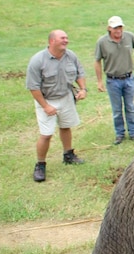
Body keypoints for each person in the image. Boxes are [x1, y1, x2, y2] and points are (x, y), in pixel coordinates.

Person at [26, 29, 89, 182]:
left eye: (67, 38)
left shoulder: (70, 56)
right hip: (46, 100)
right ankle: (40, 165)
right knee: (46, 134)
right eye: (62, 38)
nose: (66, 40)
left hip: (66, 97)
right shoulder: (38, 60)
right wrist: (46, 106)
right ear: (52, 41)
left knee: (66, 127)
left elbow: (80, 73)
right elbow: (33, 87)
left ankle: (68, 155)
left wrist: (82, 89)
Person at [94, 15, 134, 144]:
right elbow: (97, 61)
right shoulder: (102, 42)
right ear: (109, 28)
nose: (118, 30)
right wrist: (99, 81)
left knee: (130, 106)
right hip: (113, 80)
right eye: (115, 28)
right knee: (117, 109)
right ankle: (120, 134)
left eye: (120, 27)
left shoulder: (129, 37)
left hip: (128, 78)